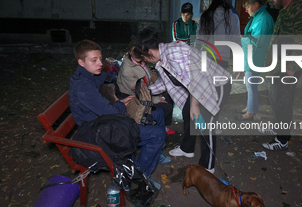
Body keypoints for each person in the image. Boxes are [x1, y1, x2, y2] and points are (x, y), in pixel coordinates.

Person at [133, 27, 232, 174]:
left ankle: (208, 166)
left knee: (205, 123)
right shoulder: (162, 61)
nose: (146, 61)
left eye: (144, 57)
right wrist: (146, 90)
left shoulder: (174, 52)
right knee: (187, 113)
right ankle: (187, 148)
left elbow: (198, 77)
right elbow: (166, 82)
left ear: (149, 51)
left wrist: (195, 104)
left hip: (217, 84)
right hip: (198, 88)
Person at [68, 39, 166, 184]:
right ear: (81, 62)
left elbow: (107, 88)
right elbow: (111, 112)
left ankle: (154, 154)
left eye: (100, 59)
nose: (100, 63)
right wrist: (121, 103)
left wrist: (118, 98)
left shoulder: (89, 77)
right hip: (98, 134)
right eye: (94, 60)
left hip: (105, 123)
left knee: (158, 114)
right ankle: (138, 178)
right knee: (157, 135)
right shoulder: (83, 86)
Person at [261, 0, 302, 150]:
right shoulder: (285, 10)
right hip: (278, 64)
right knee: (275, 98)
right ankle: (278, 128)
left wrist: (291, 68)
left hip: (288, 66)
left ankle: (282, 139)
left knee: (283, 100)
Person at [117, 43, 174, 164]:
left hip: (146, 93)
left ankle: (159, 136)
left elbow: (149, 79)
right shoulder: (128, 70)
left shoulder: (141, 62)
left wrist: (160, 89)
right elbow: (139, 94)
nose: (138, 52)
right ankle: (157, 141)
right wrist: (158, 99)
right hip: (134, 100)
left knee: (169, 98)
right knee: (164, 107)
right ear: (130, 51)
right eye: (135, 50)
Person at [236, 0, 274, 121]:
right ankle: (250, 107)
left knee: (251, 85)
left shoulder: (262, 18)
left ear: (256, 5)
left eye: (247, 6)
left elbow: (257, 41)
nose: (246, 10)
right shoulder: (258, 17)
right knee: (250, 85)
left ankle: (251, 112)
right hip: (252, 57)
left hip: (255, 58)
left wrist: (242, 39)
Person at [197, 0, 241, 68]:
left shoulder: (205, 16)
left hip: (205, 57)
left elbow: (199, 39)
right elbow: (237, 41)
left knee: (206, 80)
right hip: (222, 59)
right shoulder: (233, 18)